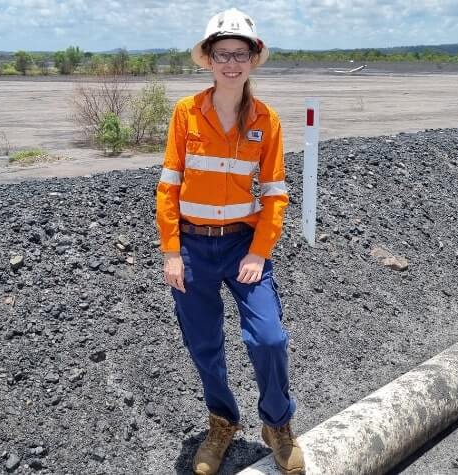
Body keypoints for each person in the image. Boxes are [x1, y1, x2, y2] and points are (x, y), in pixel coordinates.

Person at [155, 8, 305, 475]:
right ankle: (222, 422)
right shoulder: (186, 113)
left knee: (269, 338)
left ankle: (277, 424)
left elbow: (276, 193)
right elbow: (169, 185)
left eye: (240, 53)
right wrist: (172, 251)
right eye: (223, 54)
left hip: (243, 244)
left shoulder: (266, 120)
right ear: (209, 59)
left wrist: (259, 252)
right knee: (204, 344)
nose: (232, 62)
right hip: (194, 250)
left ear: (253, 58)